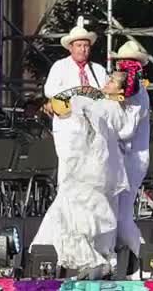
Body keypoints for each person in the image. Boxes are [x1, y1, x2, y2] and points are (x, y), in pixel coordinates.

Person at [31, 70, 138, 275]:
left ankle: (91, 259)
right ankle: (86, 257)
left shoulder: (108, 107)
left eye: (113, 81)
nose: (107, 82)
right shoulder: (109, 106)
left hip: (94, 168)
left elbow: (78, 105)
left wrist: (79, 97)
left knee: (76, 209)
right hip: (94, 165)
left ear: (122, 92)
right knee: (79, 210)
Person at [43, 26, 108, 187]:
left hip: (93, 128)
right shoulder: (60, 66)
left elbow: (106, 94)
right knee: (68, 169)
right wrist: (76, 94)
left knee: (90, 170)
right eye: (79, 45)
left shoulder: (98, 70)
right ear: (71, 47)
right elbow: (49, 90)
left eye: (86, 46)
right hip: (69, 126)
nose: (83, 49)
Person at [112, 41, 151, 259]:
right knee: (112, 215)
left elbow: (127, 130)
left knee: (122, 217)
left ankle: (147, 259)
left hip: (131, 160)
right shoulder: (125, 91)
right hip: (119, 158)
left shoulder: (138, 93)